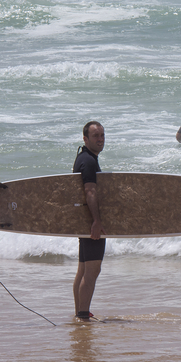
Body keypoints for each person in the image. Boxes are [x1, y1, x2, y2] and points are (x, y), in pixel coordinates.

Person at [72, 121, 106, 320]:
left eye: (102, 135)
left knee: (83, 269)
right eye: (96, 136)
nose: (100, 139)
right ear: (85, 139)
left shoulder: (82, 158)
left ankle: (79, 312)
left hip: (82, 221)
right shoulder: (89, 161)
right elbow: (90, 191)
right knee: (92, 269)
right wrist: (97, 221)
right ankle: (83, 315)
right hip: (89, 222)